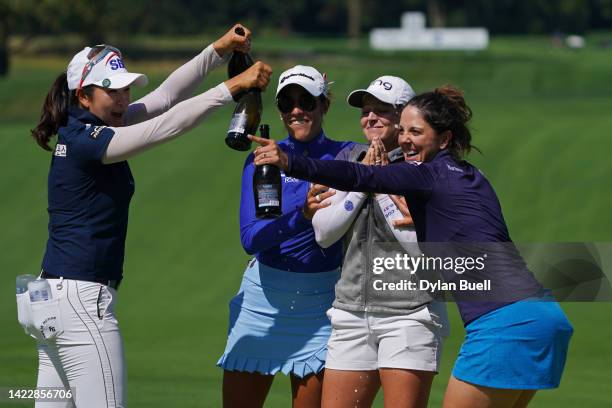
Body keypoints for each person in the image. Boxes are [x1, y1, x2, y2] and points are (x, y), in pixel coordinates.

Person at [251, 85, 574, 408]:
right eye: (403, 130)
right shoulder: (469, 175)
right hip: (542, 314)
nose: (405, 139)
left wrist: (289, 161)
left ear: (444, 140)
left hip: (504, 324)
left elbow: (358, 175)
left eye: (416, 132)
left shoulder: (427, 175)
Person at [23, 24, 271, 408]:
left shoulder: (90, 128)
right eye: (112, 91)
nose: (123, 99)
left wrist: (218, 50)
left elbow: (166, 96)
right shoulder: (89, 141)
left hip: (49, 299)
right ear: (83, 96)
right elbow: (165, 125)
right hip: (81, 303)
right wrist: (231, 89)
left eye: (125, 89)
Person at [217, 65, 354, 408]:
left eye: (306, 101)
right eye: (286, 102)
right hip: (261, 301)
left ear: (324, 104)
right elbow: (251, 238)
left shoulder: (349, 154)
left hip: (320, 305)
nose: (296, 110)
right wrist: (302, 216)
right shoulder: (263, 158)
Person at [311, 76, 449, 408]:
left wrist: (383, 185)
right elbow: (324, 234)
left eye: (381, 111)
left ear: (404, 119)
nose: (370, 118)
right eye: (366, 111)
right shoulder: (347, 161)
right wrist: (364, 179)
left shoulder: (429, 170)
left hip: (410, 313)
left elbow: (424, 252)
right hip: (351, 312)